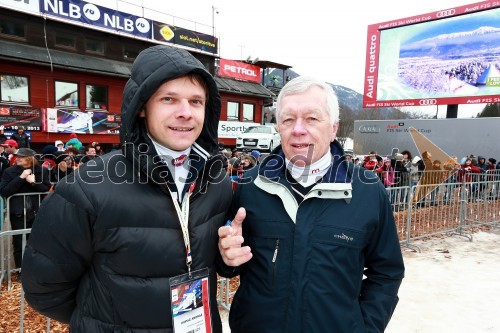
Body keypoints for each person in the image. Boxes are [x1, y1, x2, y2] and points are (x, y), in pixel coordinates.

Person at [22, 45, 232, 332]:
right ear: (142, 107)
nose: (186, 113)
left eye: (196, 101)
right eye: (169, 99)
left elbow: (203, 256)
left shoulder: (216, 179)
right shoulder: (87, 186)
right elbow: (44, 288)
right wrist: (102, 319)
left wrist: (227, 259)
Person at [217, 76, 404, 333]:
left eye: (312, 119)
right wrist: (227, 258)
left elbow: (386, 272)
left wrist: (366, 327)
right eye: (288, 119)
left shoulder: (368, 191)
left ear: (334, 128)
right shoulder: (249, 186)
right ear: (278, 126)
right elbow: (229, 262)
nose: (298, 129)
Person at [0, 148, 51, 268]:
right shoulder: (9, 171)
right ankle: (20, 270)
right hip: (18, 212)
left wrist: (33, 183)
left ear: (29, 159)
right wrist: (21, 177)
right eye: (17, 156)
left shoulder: (42, 171)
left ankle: (35, 269)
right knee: (19, 242)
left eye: (20, 157)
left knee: (38, 242)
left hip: (37, 212)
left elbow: (45, 188)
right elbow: (4, 191)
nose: (17, 158)